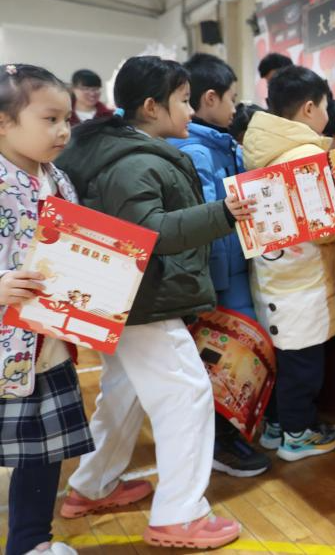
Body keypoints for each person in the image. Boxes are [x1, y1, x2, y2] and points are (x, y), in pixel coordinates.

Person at [56, 56, 254, 550]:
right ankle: (179, 516)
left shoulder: (117, 148)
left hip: (119, 298)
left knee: (123, 392)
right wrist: (224, 213)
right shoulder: (134, 161)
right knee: (186, 393)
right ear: (151, 106)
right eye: (183, 101)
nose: (190, 110)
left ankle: (91, 486)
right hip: (143, 299)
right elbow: (149, 233)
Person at [242, 66, 335, 461]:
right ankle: (299, 434)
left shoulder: (261, 152)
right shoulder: (308, 155)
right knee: (304, 368)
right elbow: (332, 226)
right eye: (326, 105)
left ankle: (277, 426)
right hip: (306, 281)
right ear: (310, 108)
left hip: (274, 275)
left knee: (285, 363)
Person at [0, 64, 92, 555]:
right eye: (50, 119)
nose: (63, 131)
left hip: (47, 338)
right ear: (3, 122)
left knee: (43, 446)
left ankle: (30, 542)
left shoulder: (58, 178)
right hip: (6, 342)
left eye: (67, 119)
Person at [168, 53, 272, 479]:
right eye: (232, 98)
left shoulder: (217, 144)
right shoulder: (198, 151)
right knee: (226, 360)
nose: (235, 106)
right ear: (209, 99)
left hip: (228, 273)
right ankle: (222, 443)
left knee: (229, 358)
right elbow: (210, 223)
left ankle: (228, 436)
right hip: (220, 279)